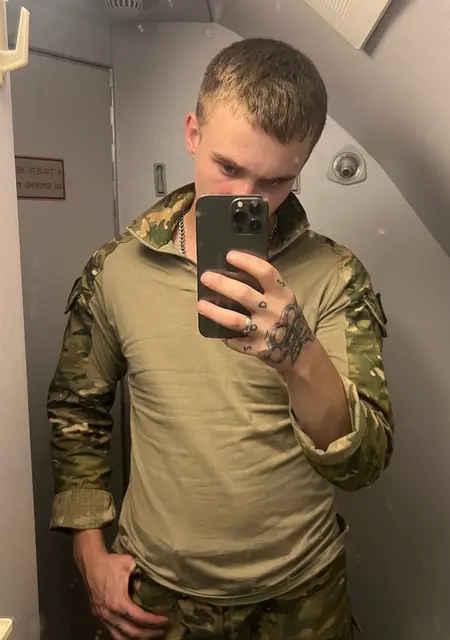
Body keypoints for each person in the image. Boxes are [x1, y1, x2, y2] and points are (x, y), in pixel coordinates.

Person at [47, 37, 394, 640]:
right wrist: (88, 550)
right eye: (228, 168)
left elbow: (362, 465)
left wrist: (298, 355)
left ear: (301, 168)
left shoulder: (337, 275)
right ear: (192, 133)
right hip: (156, 591)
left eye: (276, 180)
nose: (245, 199)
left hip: (300, 596)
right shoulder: (118, 269)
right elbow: (78, 409)